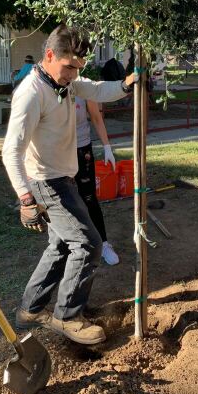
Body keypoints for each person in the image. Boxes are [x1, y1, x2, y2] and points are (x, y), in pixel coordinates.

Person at [2, 25, 134, 345]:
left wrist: (127, 84)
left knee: (61, 245)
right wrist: (25, 199)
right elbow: (11, 151)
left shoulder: (66, 81)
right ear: (49, 56)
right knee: (88, 244)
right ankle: (67, 316)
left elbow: (97, 90)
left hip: (63, 177)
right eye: (69, 67)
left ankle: (30, 309)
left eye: (79, 67)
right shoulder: (32, 93)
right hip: (47, 182)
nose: (74, 74)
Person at [74, 89, 120, 265]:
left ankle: (103, 244)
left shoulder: (83, 88)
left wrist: (107, 147)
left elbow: (96, 117)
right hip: (58, 152)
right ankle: (72, 247)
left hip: (81, 149)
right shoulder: (50, 87)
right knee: (63, 200)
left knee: (89, 197)